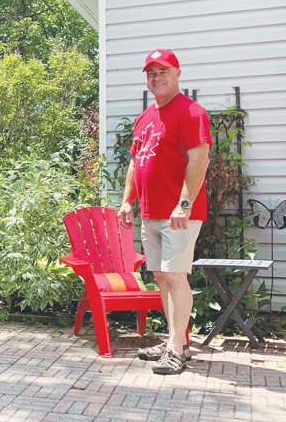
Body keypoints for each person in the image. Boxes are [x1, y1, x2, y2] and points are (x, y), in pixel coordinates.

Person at [118, 49, 211, 375]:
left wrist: (184, 203)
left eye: (163, 71)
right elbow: (135, 161)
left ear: (177, 73)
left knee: (175, 275)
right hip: (151, 212)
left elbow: (200, 161)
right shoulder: (145, 117)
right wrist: (127, 200)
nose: (156, 77)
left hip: (179, 213)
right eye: (151, 72)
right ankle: (175, 340)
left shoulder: (191, 112)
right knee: (160, 276)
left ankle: (177, 349)